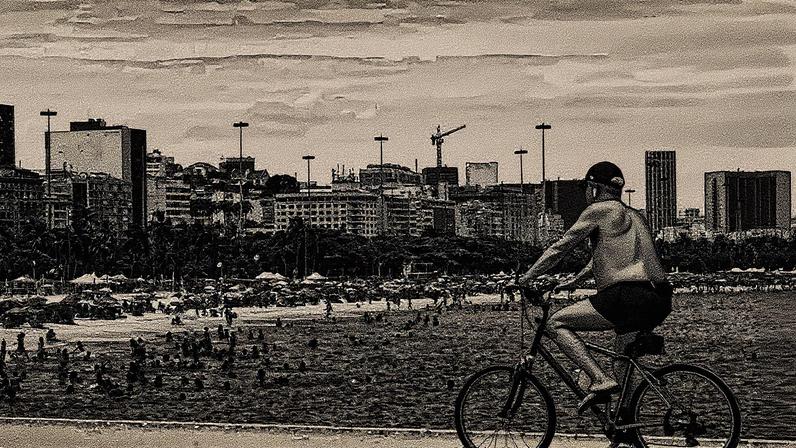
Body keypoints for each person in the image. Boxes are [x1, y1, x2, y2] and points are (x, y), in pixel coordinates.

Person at [517, 162, 672, 423]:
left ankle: (599, 379)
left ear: (594, 188)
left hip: (622, 296)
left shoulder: (598, 210)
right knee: (622, 360)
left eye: (586, 189)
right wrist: (574, 281)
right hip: (655, 298)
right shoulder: (636, 217)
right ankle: (627, 424)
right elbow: (618, 260)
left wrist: (527, 277)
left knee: (555, 323)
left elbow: (561, 247)